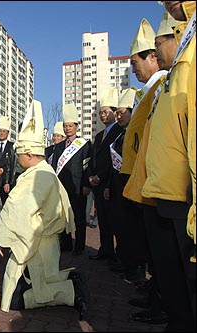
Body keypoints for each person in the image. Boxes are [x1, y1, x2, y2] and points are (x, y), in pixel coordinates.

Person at [0, 100, 88, 321]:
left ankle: (71, 292)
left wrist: (3, 239)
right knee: (30, 285)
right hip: (41, 243)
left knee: (17, 298)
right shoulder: (43, 171)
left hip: (37, 245)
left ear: (27, 154)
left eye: (18, 155)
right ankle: (71, 280)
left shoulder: (37, 176)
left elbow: (17, 211)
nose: (17, 159)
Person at [140, 3, 196, 331]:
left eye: (159, 46)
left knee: (186, 283)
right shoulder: (172, 73)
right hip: (166, 188)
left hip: (182, 190)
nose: (157, 53)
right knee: (174, 279)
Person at [122, 16, 170, 326]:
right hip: (140, 182)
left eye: (135, 61)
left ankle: (164, 303)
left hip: (154, 183)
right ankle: (156, 295)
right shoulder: (148, 91)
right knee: (153, 250)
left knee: (162, 253)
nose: (133, 69)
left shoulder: (161, 85)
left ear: (153, 56)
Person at [104, 87, 146, 281]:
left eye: (122, 113)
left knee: (133, 230)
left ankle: (135, 268)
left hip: (131, 189)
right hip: (117, 187)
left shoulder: (138, 132)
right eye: (118, 113)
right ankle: (125, 262)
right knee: (121, 227)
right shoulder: (121, 135)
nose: (118, 116)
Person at [87, 87, 123, 265]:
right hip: (97, 184)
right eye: (100, 113)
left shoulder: (119, 130)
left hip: (110, 183)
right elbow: (94, 159)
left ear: (115, 113)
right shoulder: (99, 134)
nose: (102, 115)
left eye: (106, 112)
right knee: (102, 219)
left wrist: (101, 178)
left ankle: (119, 254)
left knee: (115, 220)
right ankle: (105, 249)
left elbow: (113, 160)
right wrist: (91, 176)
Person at [51, 104, 91, 255]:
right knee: (63, 217)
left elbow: (87, 166)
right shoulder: (59, 146)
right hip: (61, 187)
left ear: (76, 126)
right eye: (65, 126)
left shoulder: (84, 144)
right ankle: (66, 244)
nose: (68, 129)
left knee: (79, 217)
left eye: (70, 126)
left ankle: (79, 246)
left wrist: (86, 184)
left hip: (78, 186)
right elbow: (55, 166)